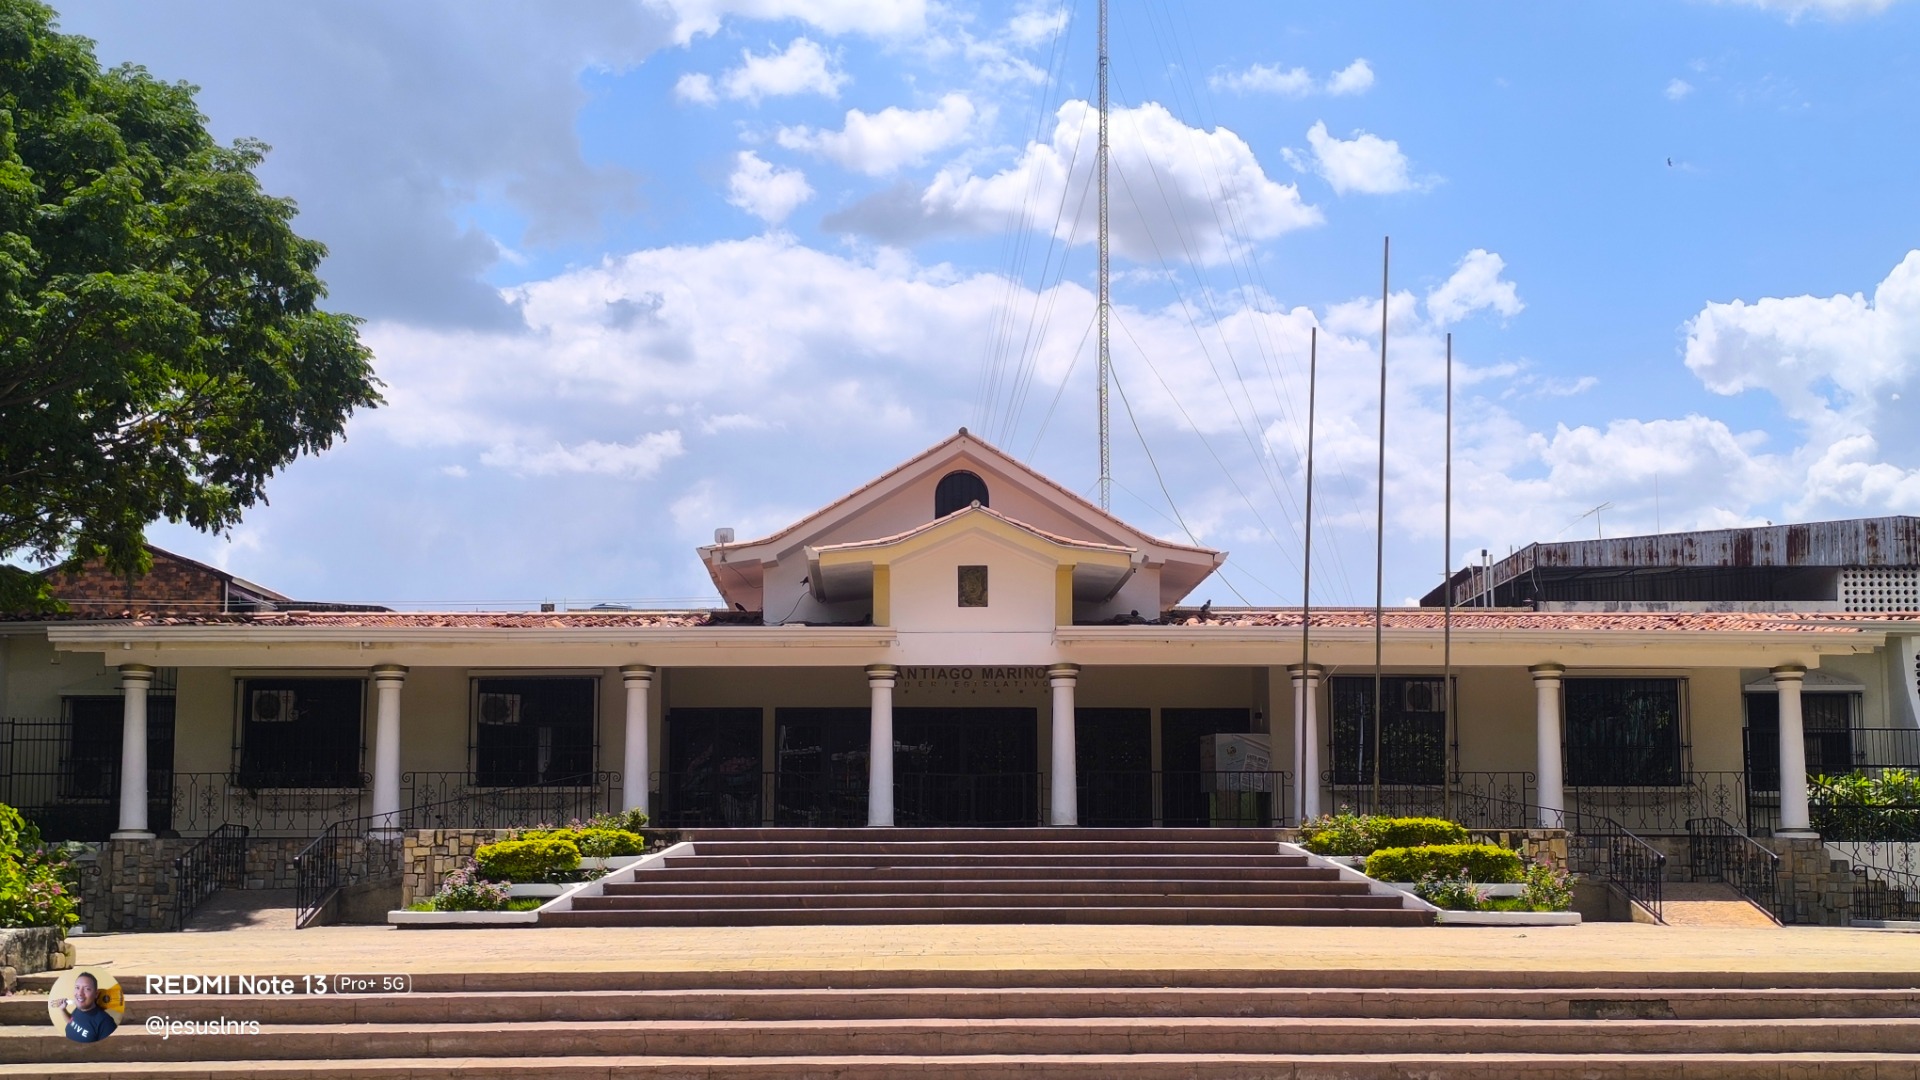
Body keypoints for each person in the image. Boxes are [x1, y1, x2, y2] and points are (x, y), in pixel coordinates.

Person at [55, 972, 117, 1043]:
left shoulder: (106, 1023)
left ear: (96, 994)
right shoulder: (78, 1009)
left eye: (87, 989)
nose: (80, 993)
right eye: (77, 988)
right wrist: (63, 1009)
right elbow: (72, 1023)